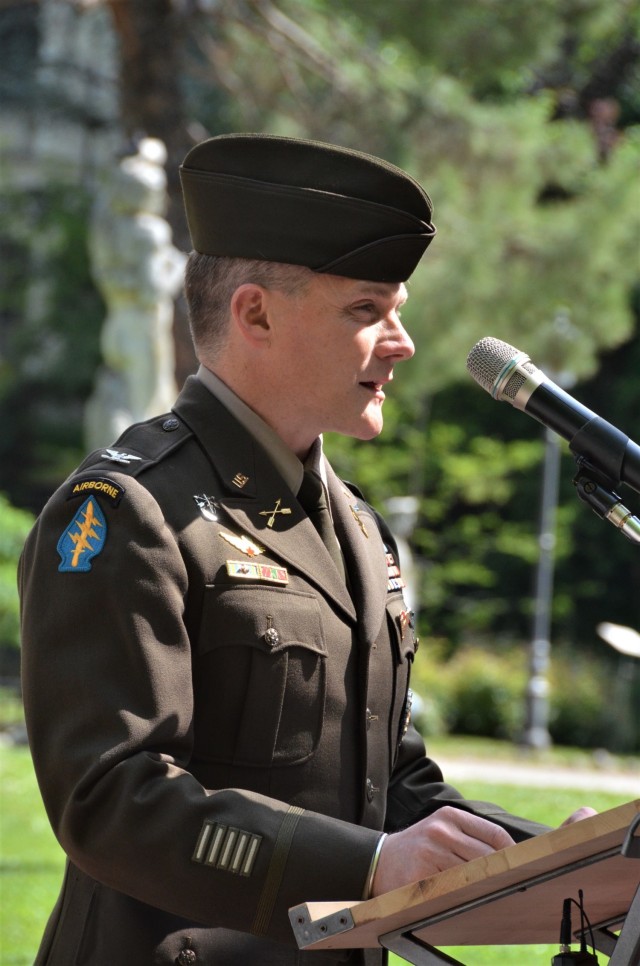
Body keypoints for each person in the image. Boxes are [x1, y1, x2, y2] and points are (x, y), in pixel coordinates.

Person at [19, 134, 593, 965]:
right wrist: (366, 865)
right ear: (254, 313)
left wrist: (558, 856)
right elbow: (112, 801)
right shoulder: (132, 510)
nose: (402, 343)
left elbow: (389, 787)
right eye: (366, 312)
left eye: (396, 311)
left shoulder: (358, 529)